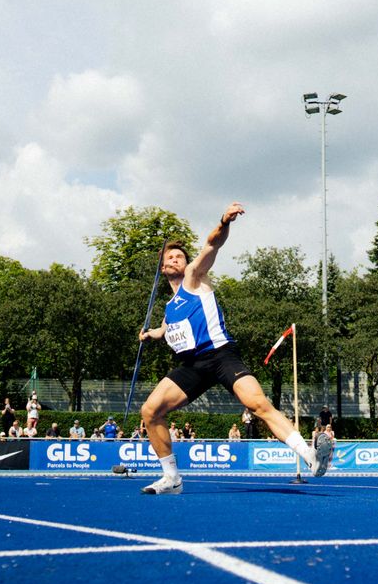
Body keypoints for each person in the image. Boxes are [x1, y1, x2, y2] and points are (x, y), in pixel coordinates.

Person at [136, 206, 319, 494]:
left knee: (258, 405)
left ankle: (309, 455)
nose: (175, 259)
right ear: (162, 268)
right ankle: (171, 478)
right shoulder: (170, 308)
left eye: (179, 256)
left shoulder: (194, 278)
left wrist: (223, 222)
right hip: (192, 366)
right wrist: (150, 335)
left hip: (221, 356)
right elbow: (165, 329)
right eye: (169, 257)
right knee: (150, 411)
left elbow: (212, 243)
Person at [314, 407, 337, 478]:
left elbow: (332, 438)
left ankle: (328, 465)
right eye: (328, 427)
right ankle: (321, 466)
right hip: (325, 446)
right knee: (323, 456)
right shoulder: (323, 432)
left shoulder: (332, 432)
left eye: (330, 427)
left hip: (330, 445)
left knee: (330, 456)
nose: (329, 428)